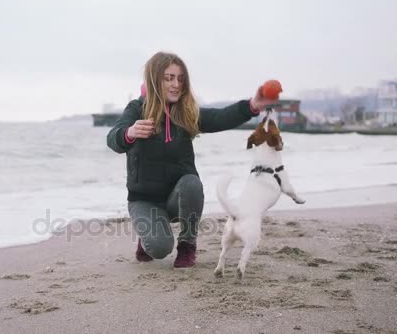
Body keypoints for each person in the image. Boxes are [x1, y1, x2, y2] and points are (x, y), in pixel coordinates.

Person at [106, 51, 276, 268]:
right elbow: (113, 138)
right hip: (144, 200)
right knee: (159, 248)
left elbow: (220, 117)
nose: (176, 84)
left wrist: (252, 106)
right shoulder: (137, 109)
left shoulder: (185, 112)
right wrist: (129, 133)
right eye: (169, 78)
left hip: (179, 197)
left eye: (180, 78)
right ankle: (147, 236)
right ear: (154, 79)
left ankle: (187, 244)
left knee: (191, 183)